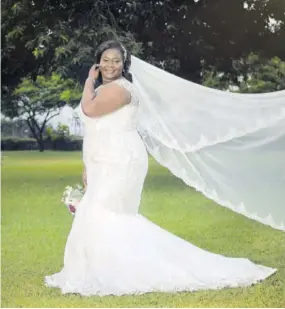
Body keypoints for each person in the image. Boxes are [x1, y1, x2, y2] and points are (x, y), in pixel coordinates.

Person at [45, 40, 276, 296]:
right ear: (99, 61)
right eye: (106, 60)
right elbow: (96, 128)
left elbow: (89, 109)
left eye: (116, 60)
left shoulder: (121, 89)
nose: (111, 65)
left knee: (108, 213)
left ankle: (126, 270)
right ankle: (102, 268)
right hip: (103, 158)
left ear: (124, 64)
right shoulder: (105, 89)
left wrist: (89, 79)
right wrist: (88, 165)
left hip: (121, 158)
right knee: (97, 212)